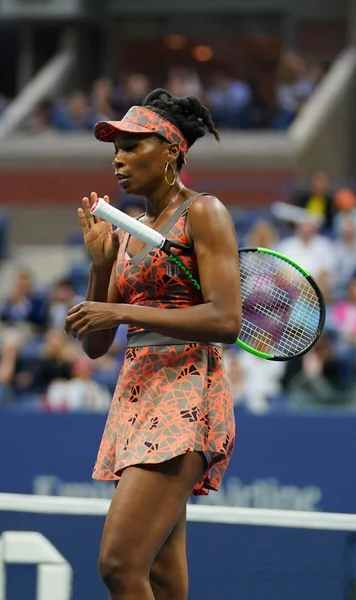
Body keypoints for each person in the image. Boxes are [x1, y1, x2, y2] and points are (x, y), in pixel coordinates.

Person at [65, 88, 241, 599]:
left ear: (170, 151)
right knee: (159, 576)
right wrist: (101, 267)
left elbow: (227, 318)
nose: (118, 158)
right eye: (115, 148)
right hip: (136, 397)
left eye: (131, 145)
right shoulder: (129, 231)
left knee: (119, 565)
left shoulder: (205, 212)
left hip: (187, 395)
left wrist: (120, 309)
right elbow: (96, 344)